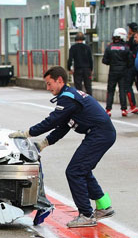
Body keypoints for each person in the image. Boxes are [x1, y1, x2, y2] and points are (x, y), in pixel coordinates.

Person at [9, 66, 115, 228]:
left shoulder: (67, 98)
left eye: (49, 83)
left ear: (60, 80)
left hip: (100, 134)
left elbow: (52, 121)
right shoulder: (69, 95)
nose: (48, 87)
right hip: (102, 133)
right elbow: (63, 126)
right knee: (82, 169)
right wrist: (44, 144)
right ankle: (103, 206)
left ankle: (86, 215)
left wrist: (27, 133)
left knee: (74, 171)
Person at [102, 28, 133, 117]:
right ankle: (124, 109)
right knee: (122, 91)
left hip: (113, 71)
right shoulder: (126, 48)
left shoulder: (109, 47)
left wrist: (112, 63)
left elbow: (104, 60)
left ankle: (108, 109)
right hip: (123, 72)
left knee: (110, 90)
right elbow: (130, 61)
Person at [125, 22, 138, 113]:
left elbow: (127, 50)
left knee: (127, 86)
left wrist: (128, 38)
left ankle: (133, 105)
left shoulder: (131, 39)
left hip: (130, 66)